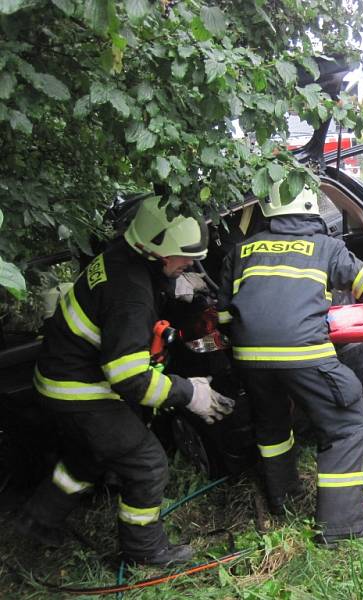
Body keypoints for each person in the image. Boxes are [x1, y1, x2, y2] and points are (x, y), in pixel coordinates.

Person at [17, 196, 235, 566]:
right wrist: (189, 394)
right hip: (80, 391)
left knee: (86, 457)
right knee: (147, 463)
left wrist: (171, 290)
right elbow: (129, 378)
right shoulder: (130, 295)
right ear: (155, 251)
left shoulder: (122, 254)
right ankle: (143, 550)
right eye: (182, 258)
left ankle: (37, 520)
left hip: (57, 377)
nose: (189, 265)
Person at [216, 187, 363, 546]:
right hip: (302, 354)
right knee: (349, 423)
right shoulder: (325, 246)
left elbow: (225, 314)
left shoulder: (243, 250)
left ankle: (283, 499)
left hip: (248, 358)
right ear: (308, 206)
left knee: (272, 425)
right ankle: (341, 525)